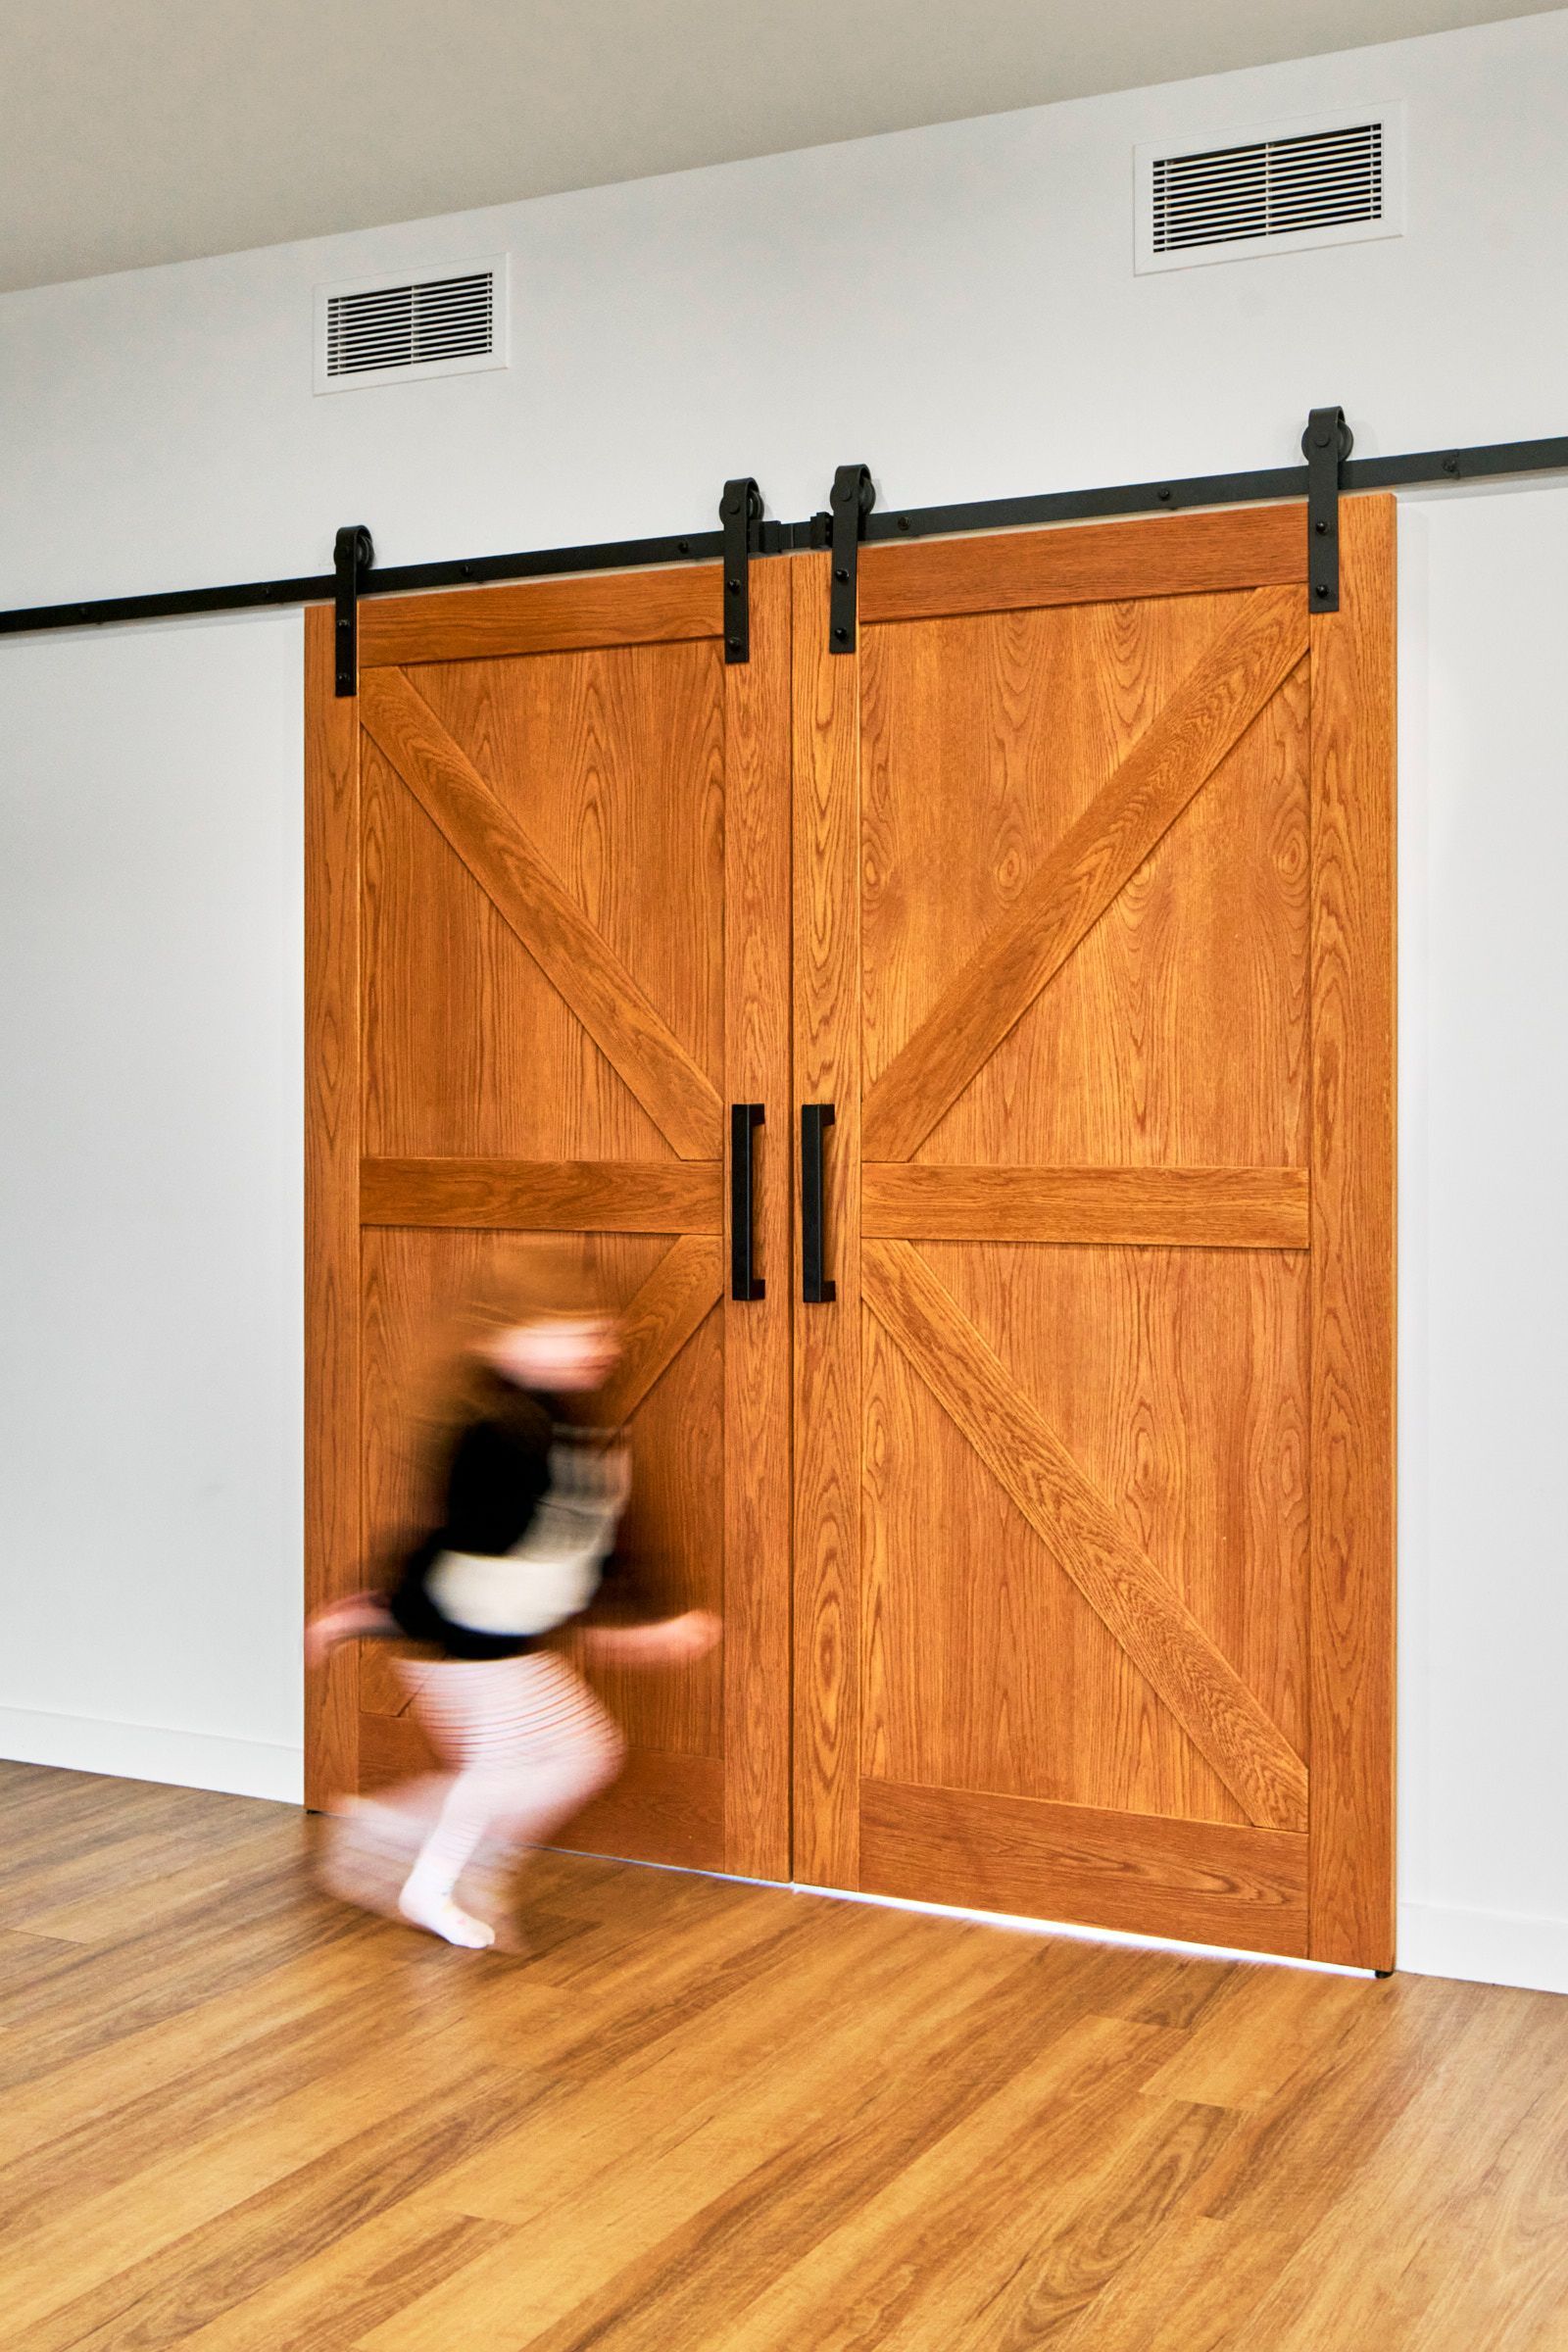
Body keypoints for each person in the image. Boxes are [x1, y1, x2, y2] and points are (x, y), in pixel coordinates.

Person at [306, 1264, 719, 1949]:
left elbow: (605, 1545)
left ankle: (398, 1836)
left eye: (602, 1333)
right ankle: (433, 1886)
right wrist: (370, 1615)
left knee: (585, 1754)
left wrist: (641, 1623)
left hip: (514, 1642)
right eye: (578, 1333)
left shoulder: (575, 1430)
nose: (602, 1345)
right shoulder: (490, 1432)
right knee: (500, 1769)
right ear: (511, 1343)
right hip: (462, 1641)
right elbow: (446, 1544)